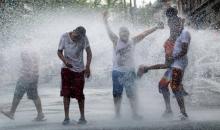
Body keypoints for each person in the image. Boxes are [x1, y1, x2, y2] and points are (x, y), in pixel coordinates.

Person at [103, 11, 164, 120]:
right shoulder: (116, 41)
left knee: (132, 94)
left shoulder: (132, 41)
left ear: (128, 34)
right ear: (120, 33)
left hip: (129, 71)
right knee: (117, 94)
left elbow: (145, 33)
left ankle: (134, 114)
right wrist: (105, 20)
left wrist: (156, 27)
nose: (124, 34)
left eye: (126, 32)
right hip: (117, 71)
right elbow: (109, 31)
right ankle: (117, 114)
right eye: (122, 32)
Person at [138, 7, 191, 120]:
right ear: (169, 26)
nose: (174, 25)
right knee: (162, 86)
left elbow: (184, 49)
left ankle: (183, 112)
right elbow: (167, 64)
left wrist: (148, 68)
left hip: (179, 66)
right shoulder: (167, 43)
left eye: (177, 22)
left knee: (175, 86)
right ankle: (168, 109)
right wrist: (148, 68)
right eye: (171, 23)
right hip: (172, 67)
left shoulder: (184, 34)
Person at [1, 37, 45, 121]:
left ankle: (11, 113)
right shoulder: (35, 51)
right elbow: (35, 63)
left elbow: (29, 63)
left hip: (26, 76)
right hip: (34, 75)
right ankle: (40, 114)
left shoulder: (26, 51)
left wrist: (27, 74)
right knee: (34, 95)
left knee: (17, 93)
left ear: (26, 43)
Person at [57, 26, 92, 125]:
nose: (78, 39)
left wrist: (88, 67)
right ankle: (66, 118)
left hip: (79, 69)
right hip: (66, 69)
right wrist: (65, 61)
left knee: (80, 94)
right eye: (77, 37)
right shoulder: (64, 36)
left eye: (80, 37)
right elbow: (59, 52)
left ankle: (82, 117)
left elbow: (89, 53)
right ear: (73, 32)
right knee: (66, 93)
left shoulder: (84, 38)